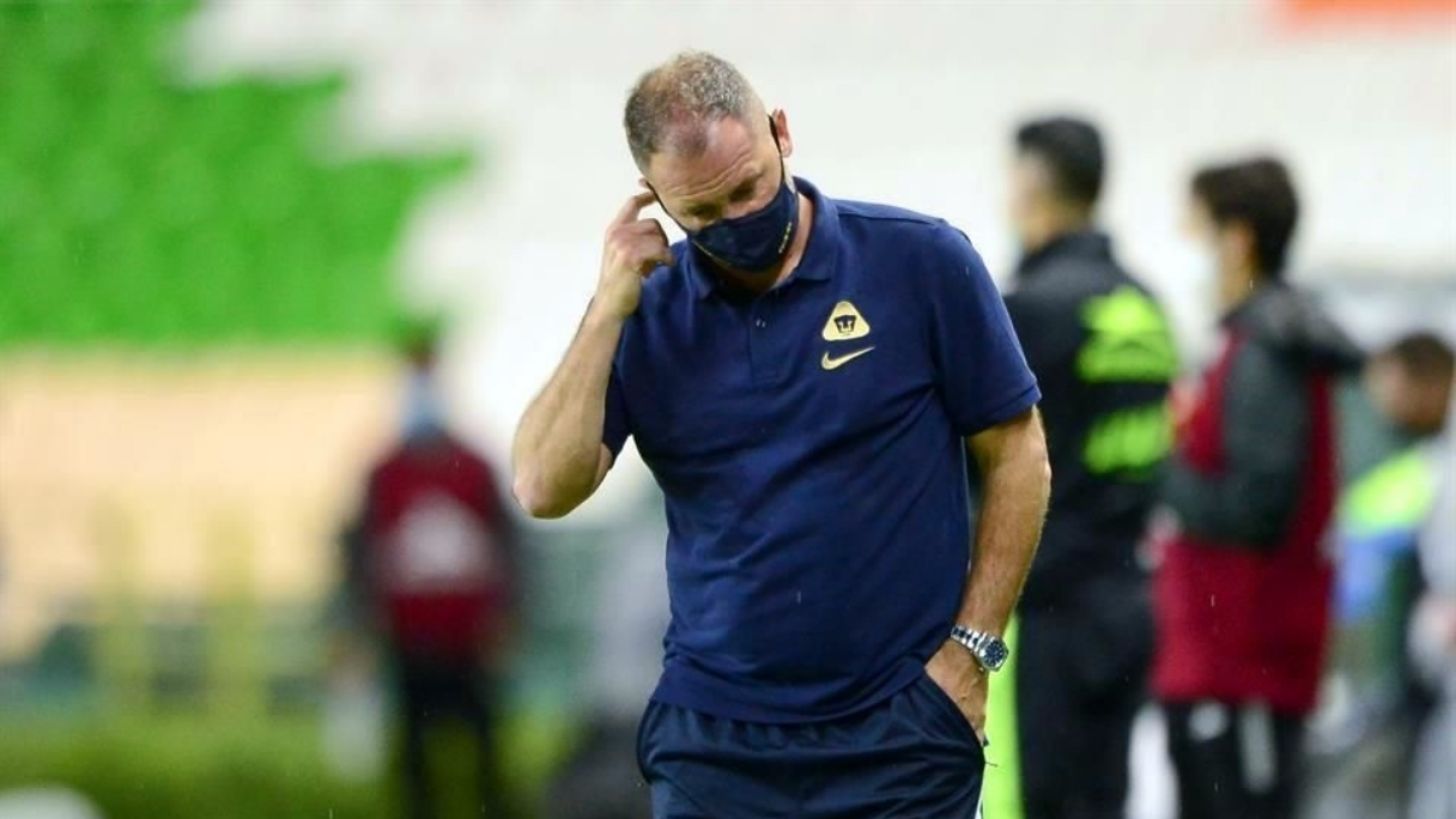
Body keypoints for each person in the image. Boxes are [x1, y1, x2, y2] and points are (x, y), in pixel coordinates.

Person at [511, 51, 1050, 818]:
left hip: (899, 727)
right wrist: (606, 308)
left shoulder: (919, 261)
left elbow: (1019, 452)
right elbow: (541, 486)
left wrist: (974, 648)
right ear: (655, 200)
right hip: (716, 741)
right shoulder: (646, 311)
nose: (737, 219)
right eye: (703, 211)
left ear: (781, 132)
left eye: (748, 188)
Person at [1151, 157, 1362, 819]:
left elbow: (1254, 507)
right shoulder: (1247, 343)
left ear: (1236, 239)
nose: (1186, 248)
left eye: (1195, 229)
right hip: (1223, 661)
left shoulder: (1265, 353)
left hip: (1242, 663)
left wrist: (1159, 467)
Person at [998, 116, 1176, 819]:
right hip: (1130, 595)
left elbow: (989, 457)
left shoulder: (1033, 307)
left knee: (1042, 797)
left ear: (1031, 185)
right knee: (1106, 797)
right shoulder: (1144, 304)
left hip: (1049, 605)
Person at [341, 324, 520, 819]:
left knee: (486, 760)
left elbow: (509, 548)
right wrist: (361, 625)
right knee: (415, 767)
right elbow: (359, 554)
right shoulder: (384, 475)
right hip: (409, 645)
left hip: (470, 643)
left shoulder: (475, 468)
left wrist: (507, 616)